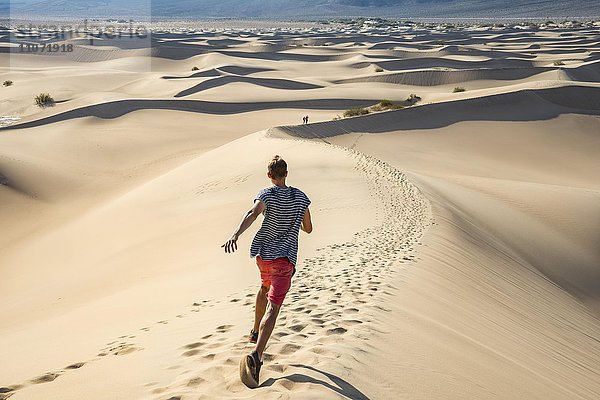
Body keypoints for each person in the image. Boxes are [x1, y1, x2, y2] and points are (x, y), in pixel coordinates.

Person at [222, 155, 313, 387]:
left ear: (269, 175)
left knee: (264, 287)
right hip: (284, 260)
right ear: (286, 173)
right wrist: (295, 222)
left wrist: (235, 234)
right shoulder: (301, 198)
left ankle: (254, 330)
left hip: (264, 257)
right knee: (274, 305)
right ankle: (257, 355)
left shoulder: (266, 194)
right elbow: (309, 228)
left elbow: (252, 213)